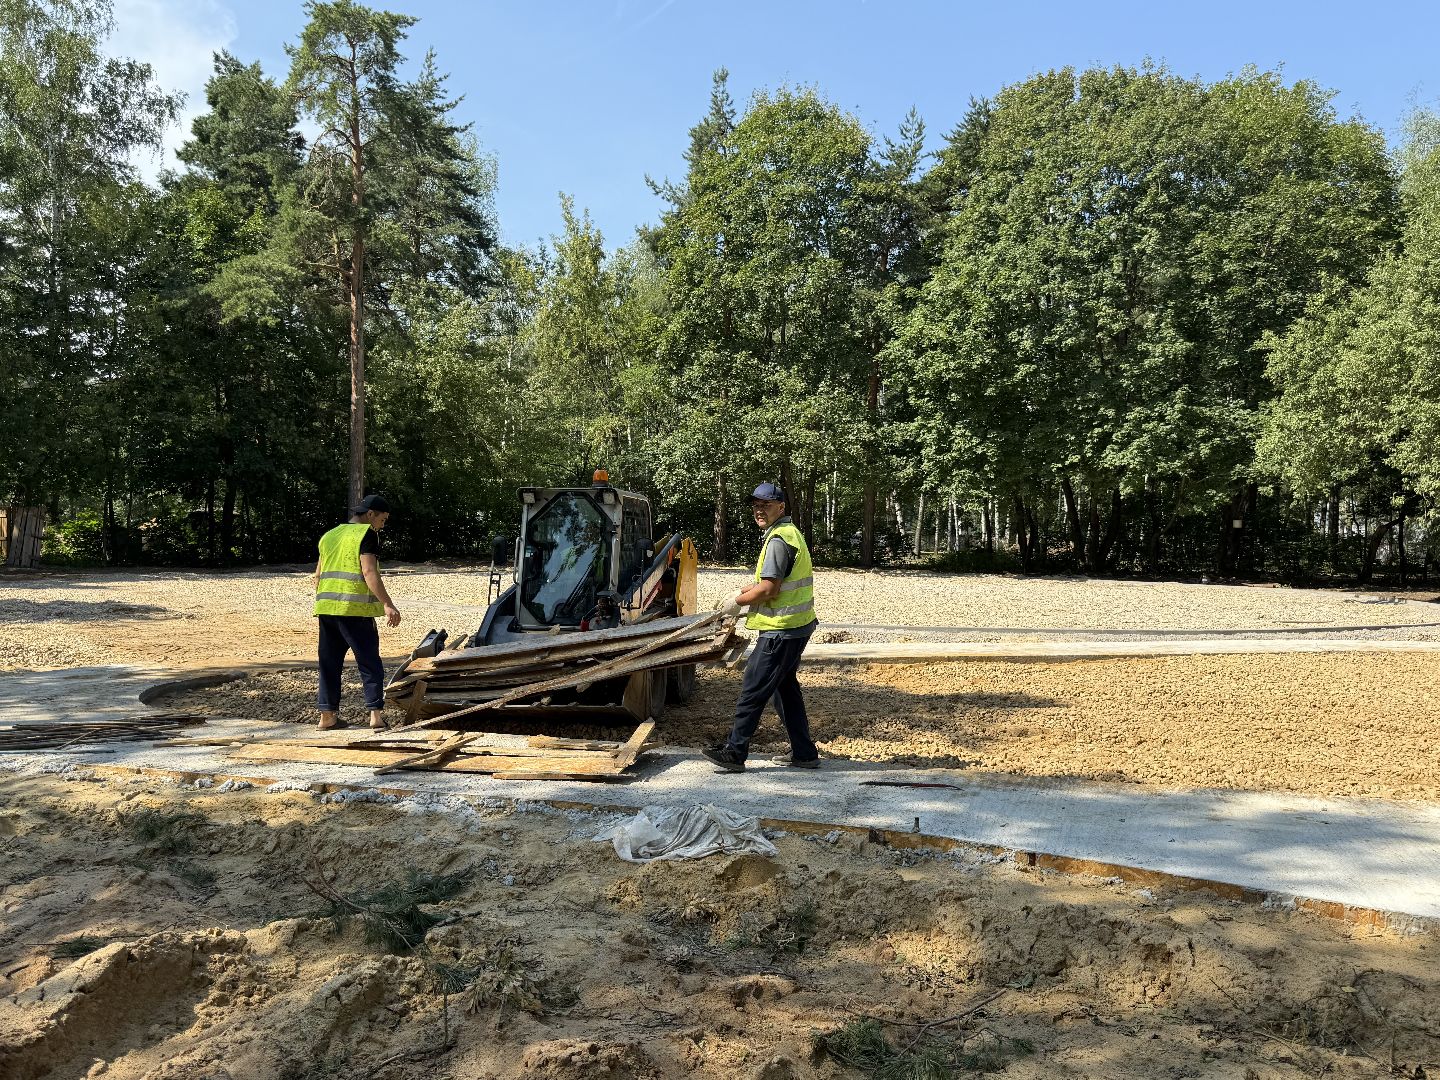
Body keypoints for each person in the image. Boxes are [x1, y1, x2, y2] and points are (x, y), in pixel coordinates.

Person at [702, 482, 819, 772]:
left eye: (766, 505)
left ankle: (735, 752)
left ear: (781, 507)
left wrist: (738, 603)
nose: (759, 510)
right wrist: (741, 592)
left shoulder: (779, 539)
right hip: (795, 627)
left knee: (752, 690)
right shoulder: (788, 534)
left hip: (780, 630)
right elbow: (768, 580)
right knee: (785, 690)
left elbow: (769, 588)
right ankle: (804, 753)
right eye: (755, 505)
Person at [312, 494, 402, 731]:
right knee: (370, 663)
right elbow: (369, 571)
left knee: (329, 663)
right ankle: (376, 717)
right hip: (355, 611)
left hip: (327, 610)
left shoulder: (329, 535)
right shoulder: (366, 534)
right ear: (370, 514)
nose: (382, 525)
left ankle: (327, 716)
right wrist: (388, 603)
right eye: (382, 520)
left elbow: (318, 576)